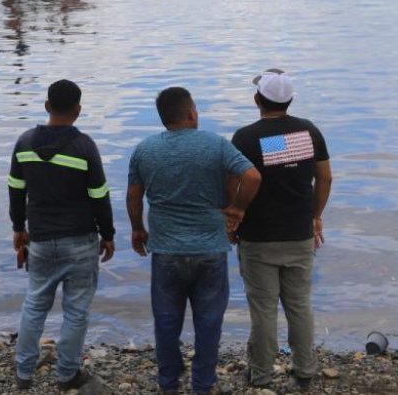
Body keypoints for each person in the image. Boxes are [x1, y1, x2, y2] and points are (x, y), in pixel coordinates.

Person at [127, 87, 261, 395]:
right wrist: (238, 208)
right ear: (190, 113)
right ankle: (203, 385)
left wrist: (138, 229)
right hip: (210, 249)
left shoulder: (145, 149)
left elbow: (134, 197)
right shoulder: (216, 145)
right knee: (209, 322)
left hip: (166, 251)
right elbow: (252, 177)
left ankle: (169, 384)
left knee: (166, 322)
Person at [9, 79, 115, 391]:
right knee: (76, 310)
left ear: (46, 106)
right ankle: (67, 374)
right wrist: (107, 234)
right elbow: (99, 195)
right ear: (78, 111)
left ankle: (23, 372)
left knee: (35, 304)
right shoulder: (84, 146)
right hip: (80, 241)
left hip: (40, 239)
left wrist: (18, 228)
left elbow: (16, 191)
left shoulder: (24, 143)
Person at [230, 69, 332, 391]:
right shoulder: (309, 132)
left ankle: (261, 375)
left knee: (263, 310)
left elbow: (235, 184)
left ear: (257, 99)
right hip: (299, 233)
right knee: (300, 305)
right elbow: (325, 178)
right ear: (289, 100)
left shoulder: (245, 138)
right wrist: (316, 215)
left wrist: (233, 219)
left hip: (259, 237)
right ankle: (304, 370)